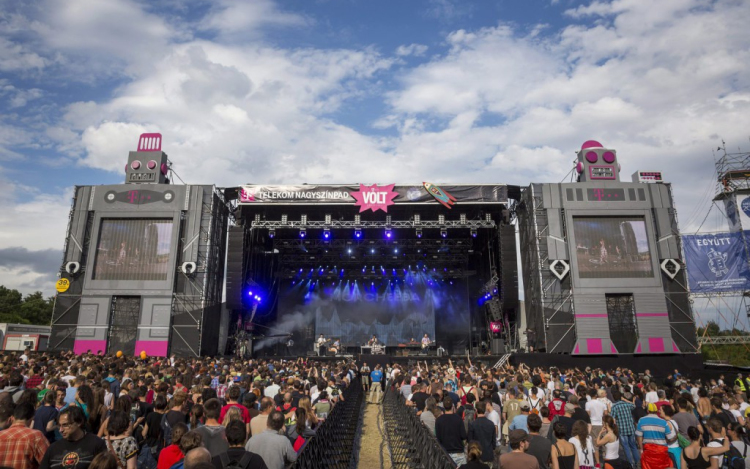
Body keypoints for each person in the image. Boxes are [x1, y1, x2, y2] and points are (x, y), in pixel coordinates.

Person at [40, 406, 107, 469]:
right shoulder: (53, 449)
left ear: (79, 422)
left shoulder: (96, 444)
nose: (61, 430)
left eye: (65, 425)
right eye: (59, 426)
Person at [0, 403, 49, 469]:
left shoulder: (1, 435)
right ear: (32, 419)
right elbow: (48, 462)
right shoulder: (36, 436)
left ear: (12, 418)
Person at [636, 403, 675, 469]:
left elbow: (639, 436)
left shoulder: (641, 420)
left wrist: (641, 449)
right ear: (657, 411)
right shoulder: (663, 422)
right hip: (661, 451)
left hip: (648, 451)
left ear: (648, 411)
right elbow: (669, 437)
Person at [436, 396, 468, 466]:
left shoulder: (439, 420)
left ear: (443, 406)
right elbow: (463, 436)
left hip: (445, 453)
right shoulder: (458, 419)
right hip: (458, 452)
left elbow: (438, 438)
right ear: (452, 406)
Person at [469, 401, 497, 466]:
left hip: (476, 456)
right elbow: (494, 443)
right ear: (485, 410)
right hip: (488, 455)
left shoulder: (473, 424)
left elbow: (470, 441)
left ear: (476, 410)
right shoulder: (491, 424)